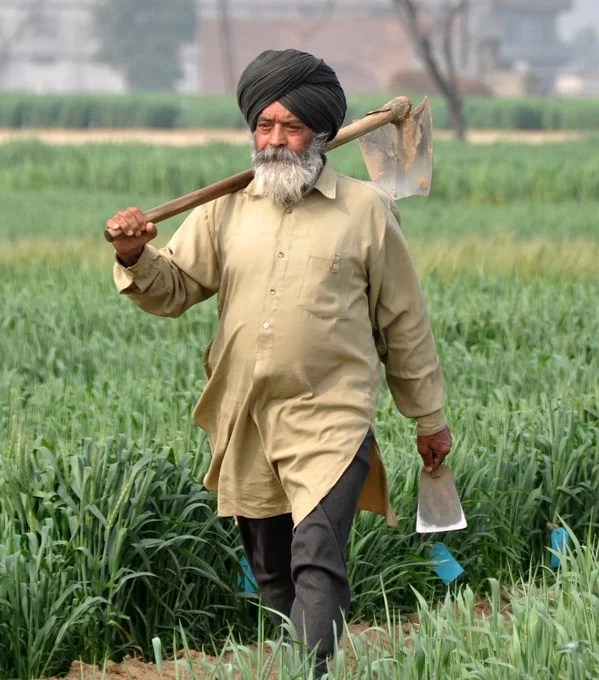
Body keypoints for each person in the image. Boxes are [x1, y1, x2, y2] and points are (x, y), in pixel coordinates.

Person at [105, 48, 452, 675]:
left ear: (321, 134)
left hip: (332, 415)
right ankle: (298, 660)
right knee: (272, 571)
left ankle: (311, 671)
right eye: (264, 126)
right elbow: (175, 287)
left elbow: (404, 322)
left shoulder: (366, 210)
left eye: (291, 127)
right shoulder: (226, 209)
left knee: (317, 553)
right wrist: (135, 258)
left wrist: (428, 419)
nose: (274, 140)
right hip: (247, 416)